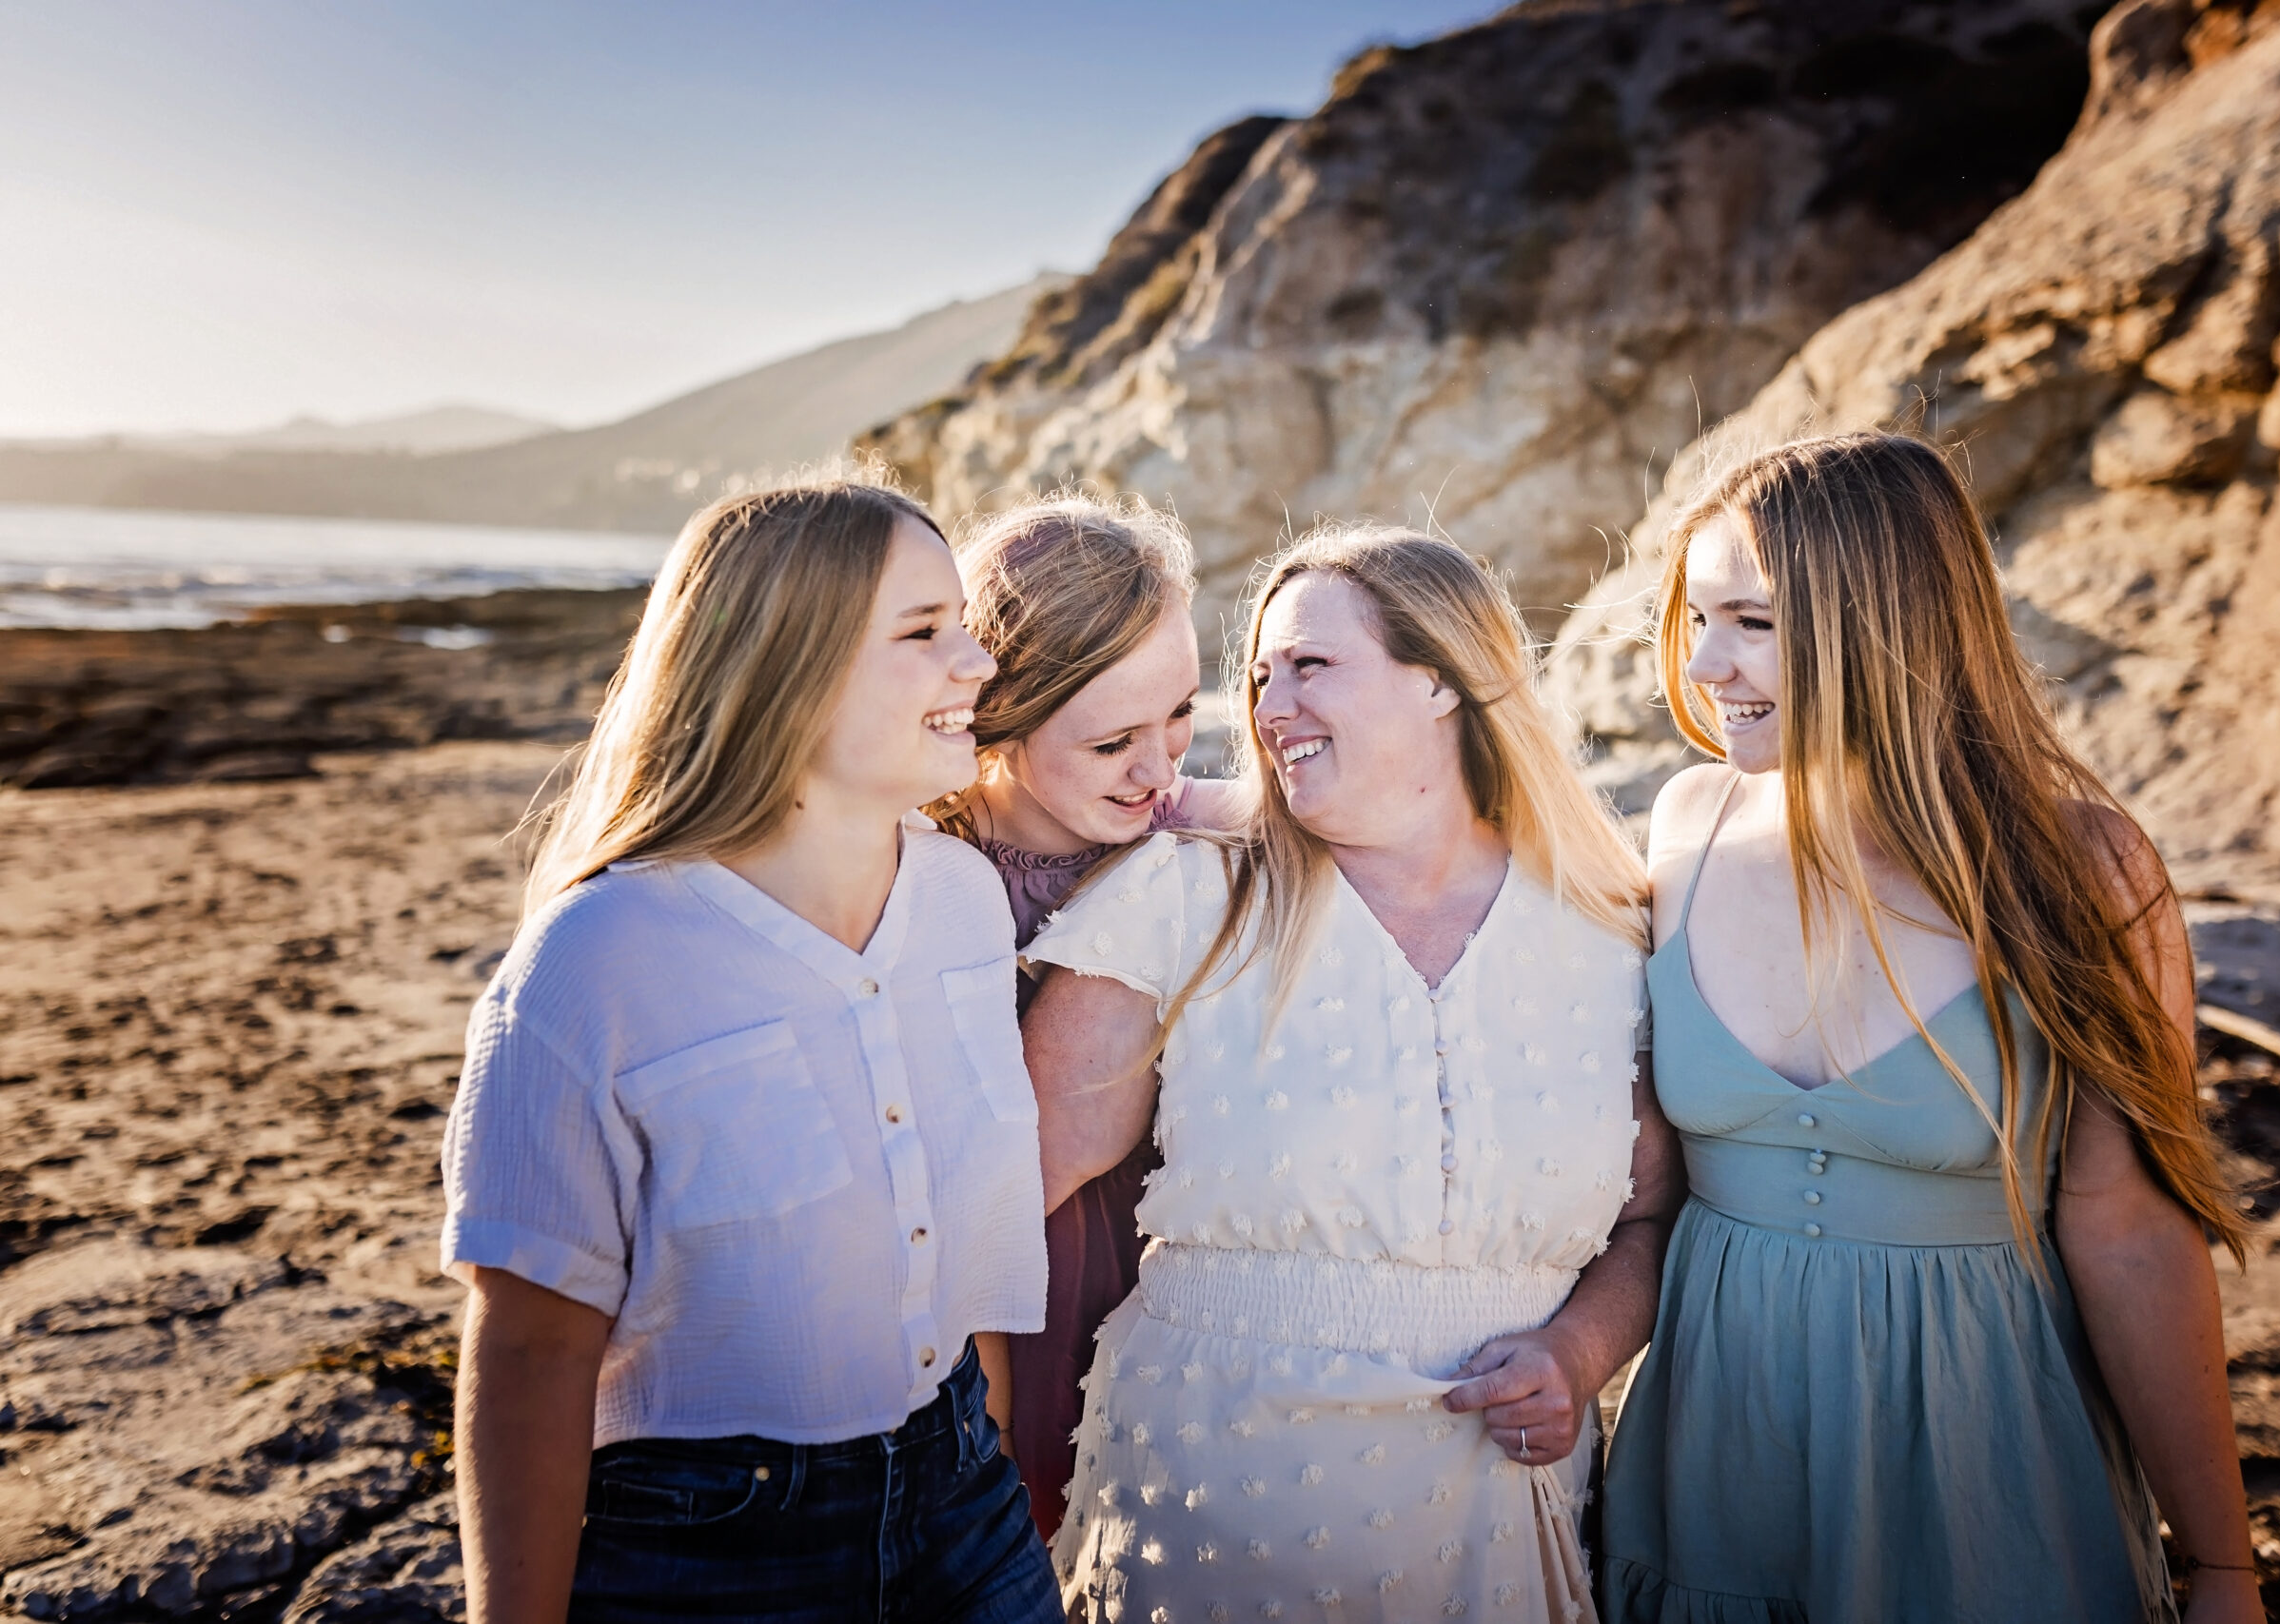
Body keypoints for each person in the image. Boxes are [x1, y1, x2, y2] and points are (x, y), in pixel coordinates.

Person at [1600, 433, 2264, 1624]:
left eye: (1750, 621)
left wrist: (2221, 1565)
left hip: (1982, 1464)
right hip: (1710, 1459)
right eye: (1696, 618)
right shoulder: (1682, 825)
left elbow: (2131, 1237)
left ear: (1880, 624)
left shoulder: (2082, 871)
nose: (1702, 665)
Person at [1020, 524, 1685, 1624]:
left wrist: (1575, 1355)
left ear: (1441, 681)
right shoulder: (1191, 892)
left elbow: (1653, 1222)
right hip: (1206, 1487)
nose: (1267, 705)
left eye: (1310, 665)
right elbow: (1003, 1185)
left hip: (1493, 1492)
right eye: (1258, 675)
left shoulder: (1609, 929)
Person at [442, 479, 1062, 1624]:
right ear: (789, 662)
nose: (977, 663)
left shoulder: (966, 905)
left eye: (962, 625)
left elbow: (957, 1241)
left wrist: (1000, 1466)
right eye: (924, 632)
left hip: (968, 1498)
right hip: (712, 1551)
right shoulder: (598, 959)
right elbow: (530, 1347)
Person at [926, 494, 1231, 1539]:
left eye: (1183, 713)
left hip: (1158, 1258)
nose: (1161, 771)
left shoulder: (1177, 830)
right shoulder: (916, 869)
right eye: (1112, 743)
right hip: (987, 1271)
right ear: (995, 715)